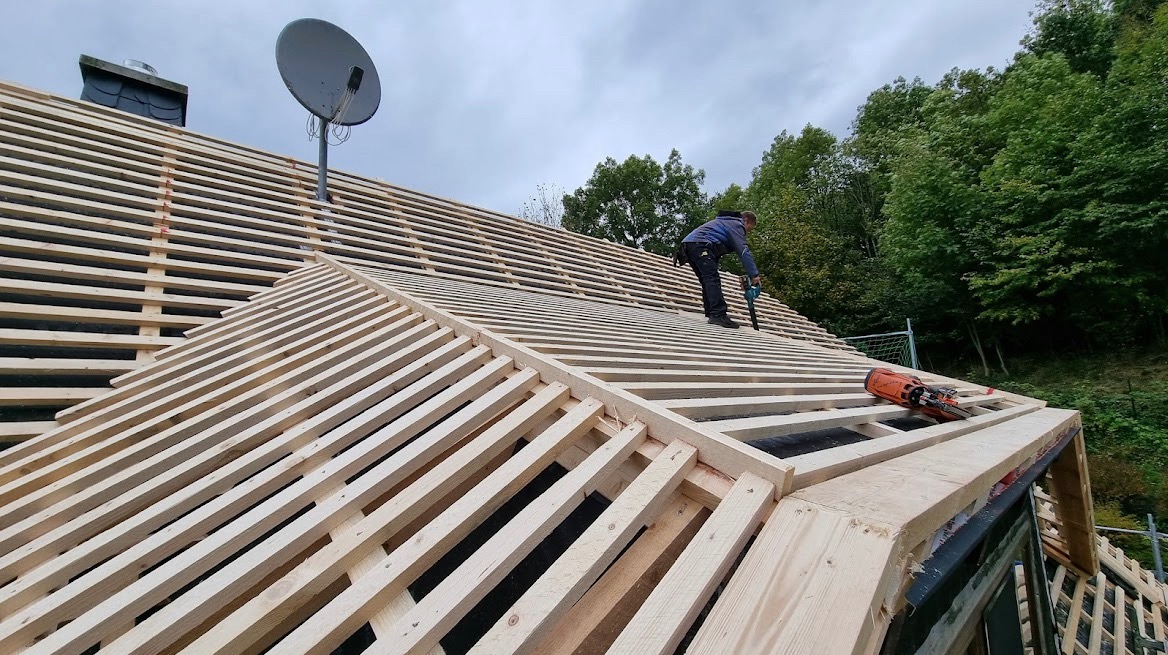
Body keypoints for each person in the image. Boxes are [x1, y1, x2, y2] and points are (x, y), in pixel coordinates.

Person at [678, 210, 761, 329]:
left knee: (708, 280)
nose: (745, 233)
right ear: (746, 221)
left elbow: (716, 251)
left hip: (689, 246)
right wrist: (754, 275)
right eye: (749, 229)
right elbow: (743, 251)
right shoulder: (736, 225)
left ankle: (711, 312)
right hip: (700, 244)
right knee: (712, 279)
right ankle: (718, 314)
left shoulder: (723, 223)